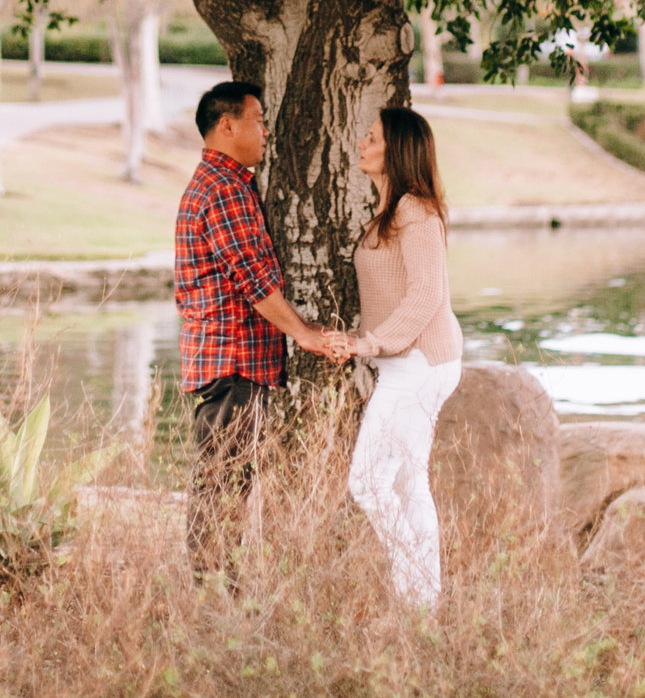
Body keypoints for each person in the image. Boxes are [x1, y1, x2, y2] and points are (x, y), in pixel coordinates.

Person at [174, 80, 341, 579]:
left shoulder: (227, 183)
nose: (267, 130)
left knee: (226, 485)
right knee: (222, 488)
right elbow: (256, 282)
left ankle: (222, 593)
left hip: (235, 365)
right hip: (233, 365)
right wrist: (306, 335)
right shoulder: (222, 190)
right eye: (259, 119)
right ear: (227, 125)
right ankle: (215, 598)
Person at [324, 106, 463, 609]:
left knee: (367, 481)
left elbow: (426, 295)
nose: (362, 144)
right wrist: (358, 339)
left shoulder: (416, 212)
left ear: (398, 150)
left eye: (374, 139)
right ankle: (425, 603)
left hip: (419, 363)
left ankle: (414, 593)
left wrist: (368, 344)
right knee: (407, 481)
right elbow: (395, 291)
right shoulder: (395, 209)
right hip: (411, 361)